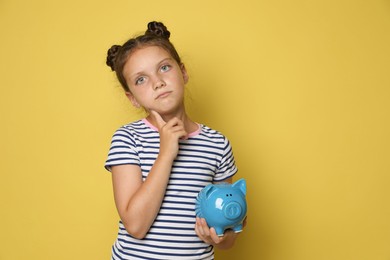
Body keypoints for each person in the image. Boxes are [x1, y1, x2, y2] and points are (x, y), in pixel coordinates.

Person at [105, 21, 245, 260]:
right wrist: (166, 153)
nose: (157, 82)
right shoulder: (127, 139)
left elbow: (228, 229)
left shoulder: (217, 144)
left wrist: (220, 238)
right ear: (133, 98)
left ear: (183, 71)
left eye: (164, 68)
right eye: (141, 79)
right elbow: (136, 226)